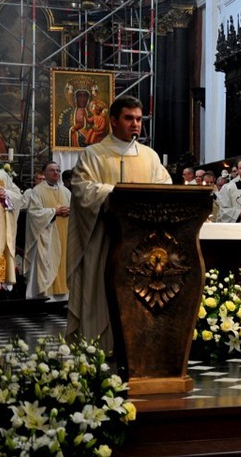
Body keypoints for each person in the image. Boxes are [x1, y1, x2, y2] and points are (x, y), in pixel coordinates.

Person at [66, 95, 172, 354]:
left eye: (138, 119)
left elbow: (166, 189)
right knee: (102, 297)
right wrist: (117, 194)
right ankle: (99, 350)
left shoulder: (150, 157)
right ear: (113, 121)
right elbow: (82, 189)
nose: (135, 124)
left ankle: (140, 351)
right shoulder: (94, 154)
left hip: (143, 247)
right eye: (129, 118)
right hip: (104, 240)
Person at [23, 161, 72, 301]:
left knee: (64, 262)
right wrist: (54, 212)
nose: (56, 173)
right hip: (46, 235)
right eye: (52, 170)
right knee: (46, 263)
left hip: (64, 233)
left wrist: (70, 211)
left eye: (58, 170)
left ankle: (64, 298)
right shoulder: (37, 191)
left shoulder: (66, 191)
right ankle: (44, 296)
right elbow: (33, 213)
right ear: (44, 173)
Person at [0, 164, 22, 291]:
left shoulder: (2, 174)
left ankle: (0, 284)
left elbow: (18, 196)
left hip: (0, 222)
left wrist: (5, 193)